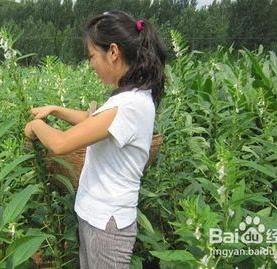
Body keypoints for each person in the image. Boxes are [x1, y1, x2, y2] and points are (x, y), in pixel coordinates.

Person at [24, 10, 167, 269]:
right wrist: (54, 109)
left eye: (92, 55)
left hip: (108, 226)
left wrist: (35, 125)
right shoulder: (129, 98)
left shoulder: (130, 105)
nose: (91, 64)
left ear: (113, 52)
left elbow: (61, 144)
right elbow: (92, 121)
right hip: (96, 216)